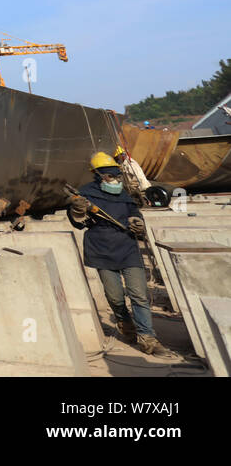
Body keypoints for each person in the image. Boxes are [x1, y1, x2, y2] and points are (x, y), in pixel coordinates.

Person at [68, 152, 166, 356]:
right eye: (111, 176)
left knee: (139, 295)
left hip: (127, 247)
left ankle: (148, 338)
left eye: (117, 175)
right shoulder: (86, 195)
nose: (116, 179)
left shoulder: (124, 195)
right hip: (101, 249)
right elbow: (78, 221)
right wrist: (77, 210)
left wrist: (137, 224)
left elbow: (135, 213)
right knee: (115, 297)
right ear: (99, 176)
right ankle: (124, 321)